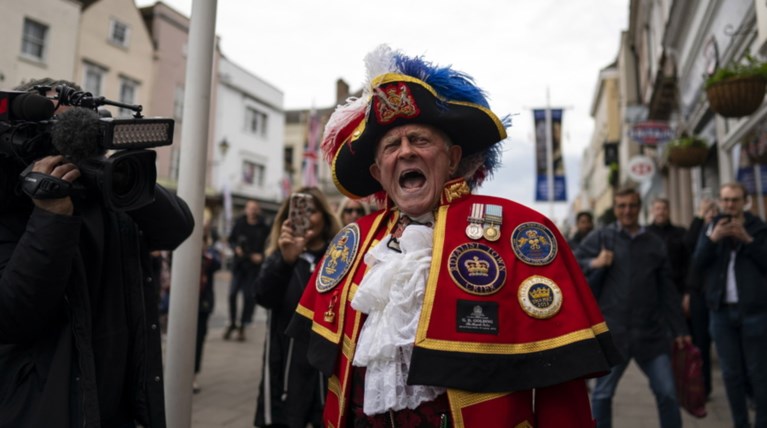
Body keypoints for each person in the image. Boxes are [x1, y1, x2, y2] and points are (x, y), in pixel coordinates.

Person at [285, 45, 621, 427]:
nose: (406, 151)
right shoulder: (353, 243)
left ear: (453, 158)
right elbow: (318, 371)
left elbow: (561, 383)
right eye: (392, 146)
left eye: (420, 140)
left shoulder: (517, 231)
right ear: (379, 173)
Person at [0, 78, 194, 427]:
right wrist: (50, 214)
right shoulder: (9, 200)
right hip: (41, 408)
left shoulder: (110, 190)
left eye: (79, 128)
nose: (70, 141)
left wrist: (113, 168)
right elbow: (13, 315)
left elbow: (177, 227)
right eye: (58, 129)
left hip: (119, 406)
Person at [575, 187, 690, 428]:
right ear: (616, 209)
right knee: (602, 395)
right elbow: (573, 262)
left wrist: (680, 330)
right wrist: (594, 262)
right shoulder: (602, 237)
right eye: (622, 206)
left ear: (640, 208)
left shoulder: (654, 243)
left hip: (651, 334)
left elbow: (668, 291)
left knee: (668, 393)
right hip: (614, 334)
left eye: (632, 206)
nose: (627, 211)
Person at [253, 187, 340, 428]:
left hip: (327, 369)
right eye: (298, 212)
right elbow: (262, 296)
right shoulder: (278, 257)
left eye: (312, 211)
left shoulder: (340, 258)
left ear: (324, 216)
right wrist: (286, 260)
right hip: (287, 369)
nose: (305, 217)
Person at [691, 182, 767, 428]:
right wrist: (712, 239)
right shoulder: (713, 227)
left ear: (745, 202)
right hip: (721, 313)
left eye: (734, 200)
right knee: (731, 375)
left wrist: (748, 239)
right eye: (725, 200)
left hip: (754, 312)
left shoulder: (758, 228)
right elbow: (697, 265)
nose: (729, 206)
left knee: (759, 374)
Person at [682, 197, 718, 398]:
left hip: (717, 295)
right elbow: (688, 245)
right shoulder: (699, 231)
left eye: (713, 210)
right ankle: (703, 387)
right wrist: (699, 218)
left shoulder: (722, 228)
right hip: (698, 294)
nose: (710, 214)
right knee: (701, 344)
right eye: (707, 211)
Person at [225, 199, 270, 341]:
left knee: (247, 297)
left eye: (255, 208)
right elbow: (231, 239)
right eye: (250, 208)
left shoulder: (263, 227)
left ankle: (242, 327)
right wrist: (235, 248)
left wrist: (262, 256)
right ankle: (232, 322)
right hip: (239, 265)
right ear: (246, 209)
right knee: (232, 294)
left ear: (258, 210)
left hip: (253, 268)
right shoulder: (240, 223)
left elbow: (269, 245)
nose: (252, 211)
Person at [194, 225, 222, 394]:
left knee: (198, 341)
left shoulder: (209, 258)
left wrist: (205, 252)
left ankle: (193, 375)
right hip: (182, 307)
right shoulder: (180, 254)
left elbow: (217, 264)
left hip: (202, 306)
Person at [647, 197, 689, 298]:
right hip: (652, 290)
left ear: (669, 211)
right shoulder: (645, 234)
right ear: (652, 211)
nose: (661, 212)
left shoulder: (681, 232)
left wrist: (687, 292)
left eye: (664, 208)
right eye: (658, 209)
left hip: (677, 288)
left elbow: (687, 262)